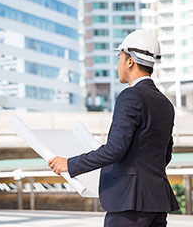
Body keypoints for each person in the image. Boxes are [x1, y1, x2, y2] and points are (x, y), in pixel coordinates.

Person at [48, 30, 179, 227]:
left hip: (130, 204)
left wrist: (70, 164)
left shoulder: (131, 96)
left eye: (119, 58)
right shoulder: (165, 103)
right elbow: (164, 155)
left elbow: (116, 149)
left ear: (130, 62)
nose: (118, 65)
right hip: (157, 202)